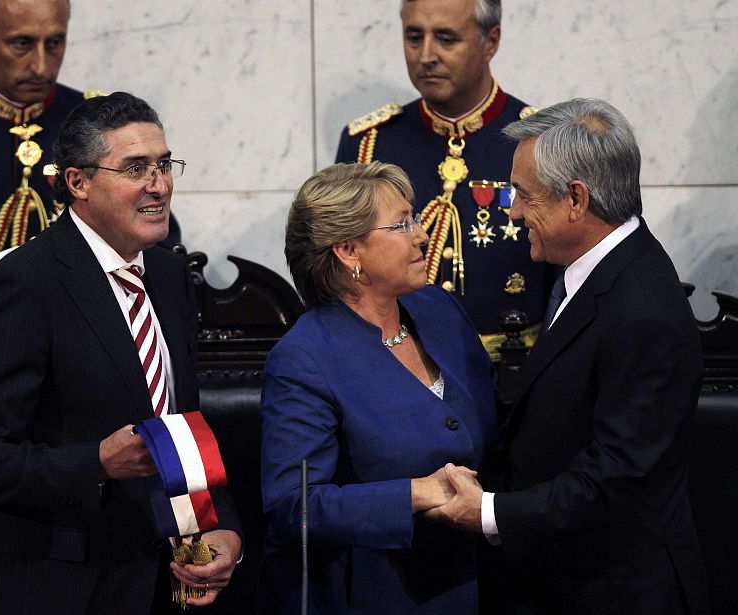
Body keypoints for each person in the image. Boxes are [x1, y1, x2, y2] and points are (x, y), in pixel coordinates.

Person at [0, 92, 241, 614]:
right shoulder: (22, 284)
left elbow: (182, 429)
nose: (160, 185)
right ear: (78, 183)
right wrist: (96, 463)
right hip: (49, 589)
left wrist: (222, 529)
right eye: (135, 168)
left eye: (164, 164)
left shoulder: (169, 275)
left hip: (157, 583)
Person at [426, 98, 711, 614]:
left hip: (618, 593)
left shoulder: (642, 311)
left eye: (524, 195)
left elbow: (616, 480)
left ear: (576, 199)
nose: (512, 210)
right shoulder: (600, 272)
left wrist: (489, 512)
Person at [259, 161, 497, 613]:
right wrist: (418, 492)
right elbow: (295, 506)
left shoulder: (439, 310)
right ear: (350, 251)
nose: (422, 236)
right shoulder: (304, 358)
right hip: (379, 594)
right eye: (402, 224)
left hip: (483, 583)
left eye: (415, 219)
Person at [335, 0, 555, 359]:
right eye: (414, 37)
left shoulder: (541, 141)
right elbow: (340, 275)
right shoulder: (367, 144)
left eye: (446, 39)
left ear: (491, 41)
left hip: (514, 378)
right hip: (395, 373)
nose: (426, 55)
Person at [0, 0, 180, 307]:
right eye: (22, 43)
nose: (41, 65)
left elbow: (157, 240)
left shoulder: (100, 127)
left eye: (54, 43)